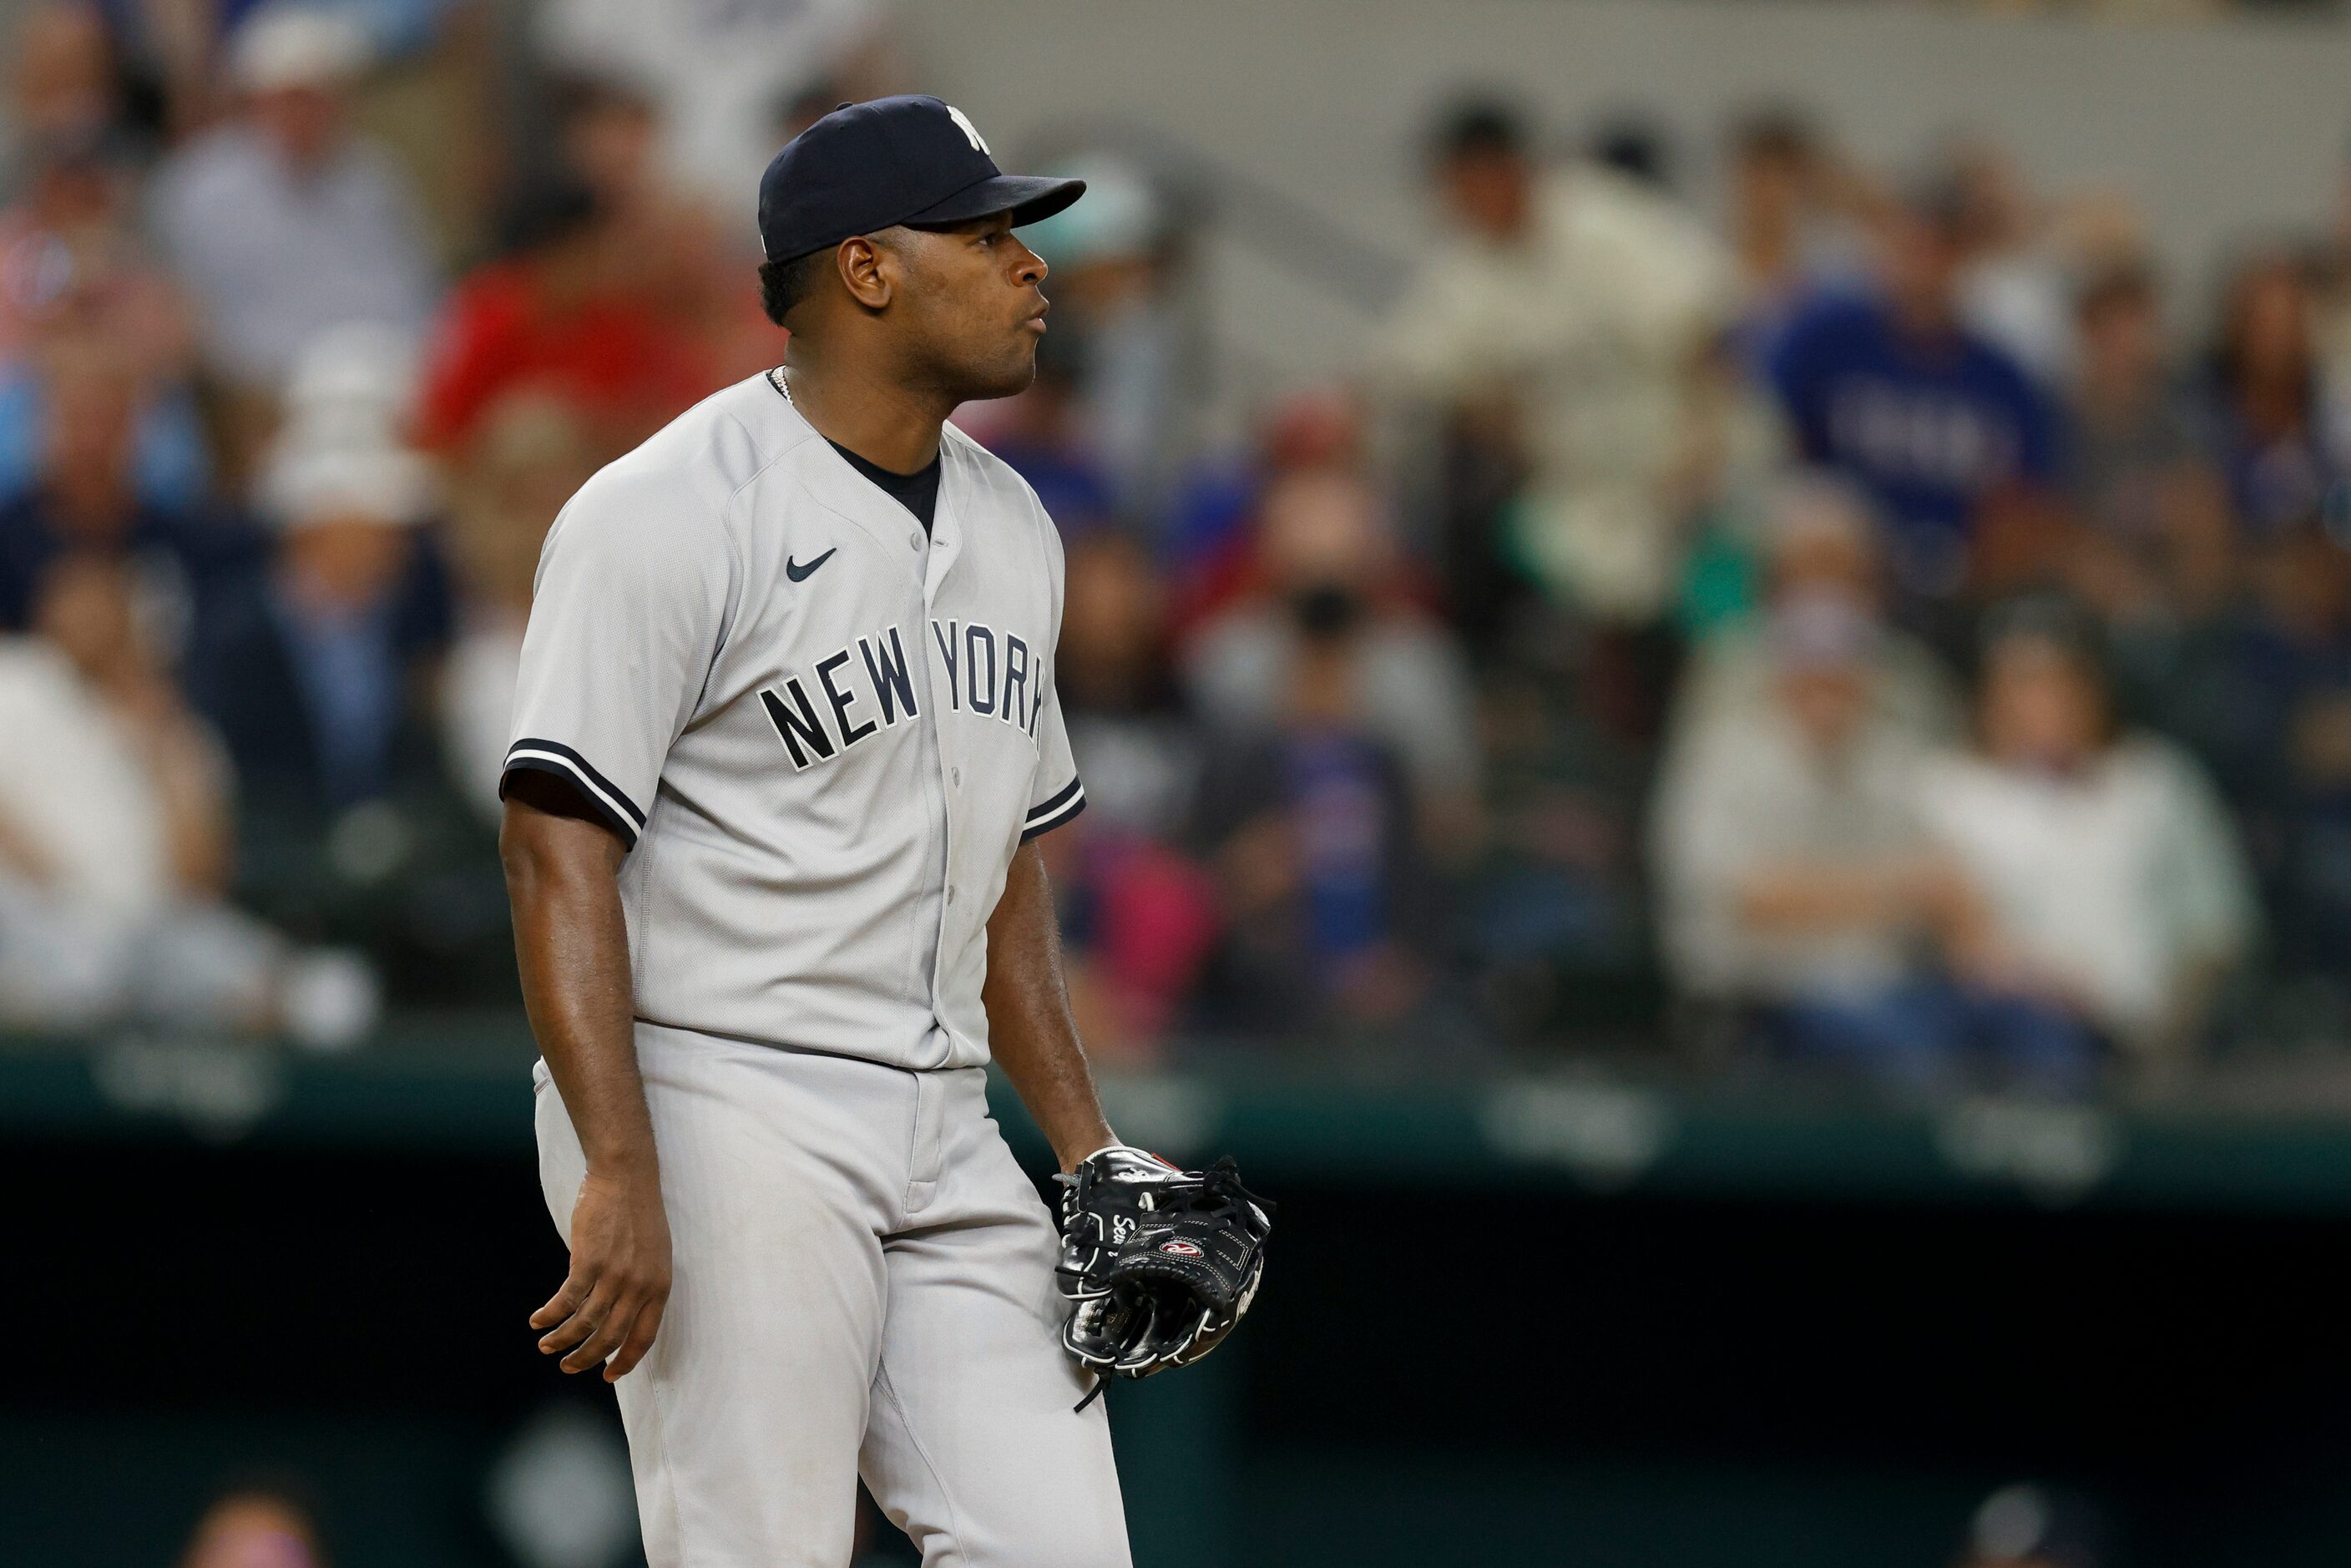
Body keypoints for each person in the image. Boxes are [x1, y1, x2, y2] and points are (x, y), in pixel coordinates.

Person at [499, 97, 1158, 1565]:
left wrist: (1085, 1143)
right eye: (987, 236)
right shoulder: (667, 509)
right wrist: (619, 1159)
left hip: (942, 1108)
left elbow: (1005, 875)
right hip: (727, 1091)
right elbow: (555, 843)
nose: (1030, 267)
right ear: (866, 269)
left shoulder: (1016, 526)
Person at [1380, 96, 1737, 628]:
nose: (1453, 202)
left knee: (1716, 609)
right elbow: (1413, 372)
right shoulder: (1466, 267)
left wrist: (1700, 456)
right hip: (1570, 494)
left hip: (1683, 477)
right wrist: (1497, 422)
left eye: (1460, 183)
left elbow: (1706, 334)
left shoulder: (1606, 223)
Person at [1919, 604, 2257, 1075]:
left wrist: (2173, 1032)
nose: (2045, 704)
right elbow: (1954, 936)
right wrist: (2045, 989)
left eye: (2061, 684)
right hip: (2019, 1036)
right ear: (1987, 697)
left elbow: (2219, 930)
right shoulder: (1947, 791)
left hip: (2158, 1043)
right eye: (2023, 685)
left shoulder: (2158, 779)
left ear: (2095, 692)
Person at [1768, 169, 2057, 609]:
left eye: (1938, 247)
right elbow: (1774, 439)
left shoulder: (2000, 377)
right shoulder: (1828, 340)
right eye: (1909, 245)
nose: (1921, 263)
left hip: (1958, 587)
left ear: (1962, 258)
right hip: (1844, 578)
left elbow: (2023, 502)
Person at [148, 7, 439, 390]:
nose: (305, 114)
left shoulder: (373, 174)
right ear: (256, 101)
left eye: (318, 98)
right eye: (291, 99)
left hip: (389, 371)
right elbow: (196, 320)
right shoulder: (200, 190)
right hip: (266, 389)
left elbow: (416, 289)